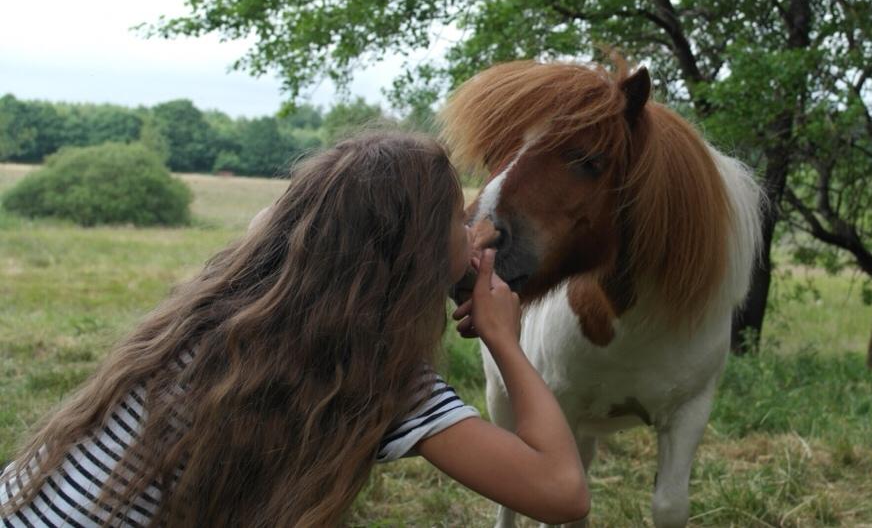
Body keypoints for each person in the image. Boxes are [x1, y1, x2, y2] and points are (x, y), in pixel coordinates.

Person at [0, 132, 589, 527]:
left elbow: (287, 221)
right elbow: (562, 491)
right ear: (415, 256)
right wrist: (504, 341)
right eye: (458, 222)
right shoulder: (380, 379)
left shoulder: (230, 295)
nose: (473, 232)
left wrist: (447, 255)